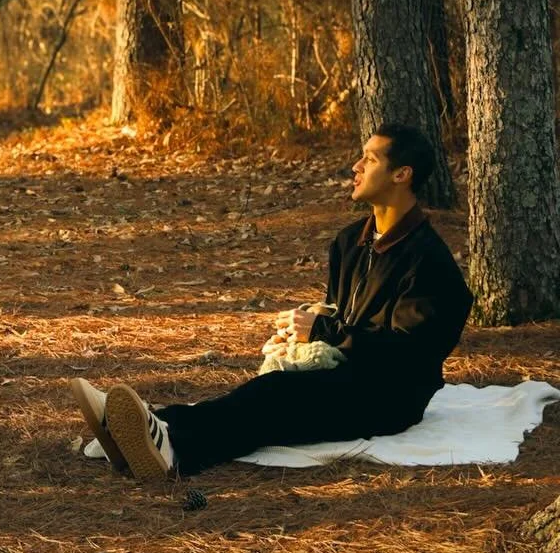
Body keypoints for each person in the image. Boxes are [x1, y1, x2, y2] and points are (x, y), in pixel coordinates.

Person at [70, 123, 474, 481]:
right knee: (266, 393)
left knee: (276, 396)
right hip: (344, 372)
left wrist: (323, 331)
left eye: (369, 159)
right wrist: (304, 335)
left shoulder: (430, 263)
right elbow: (342, 315)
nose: (355, 166)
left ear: (402, 174)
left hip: (390, 397)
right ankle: (146, 425)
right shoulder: (351, 241)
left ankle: (173, 449)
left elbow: (410, 356)